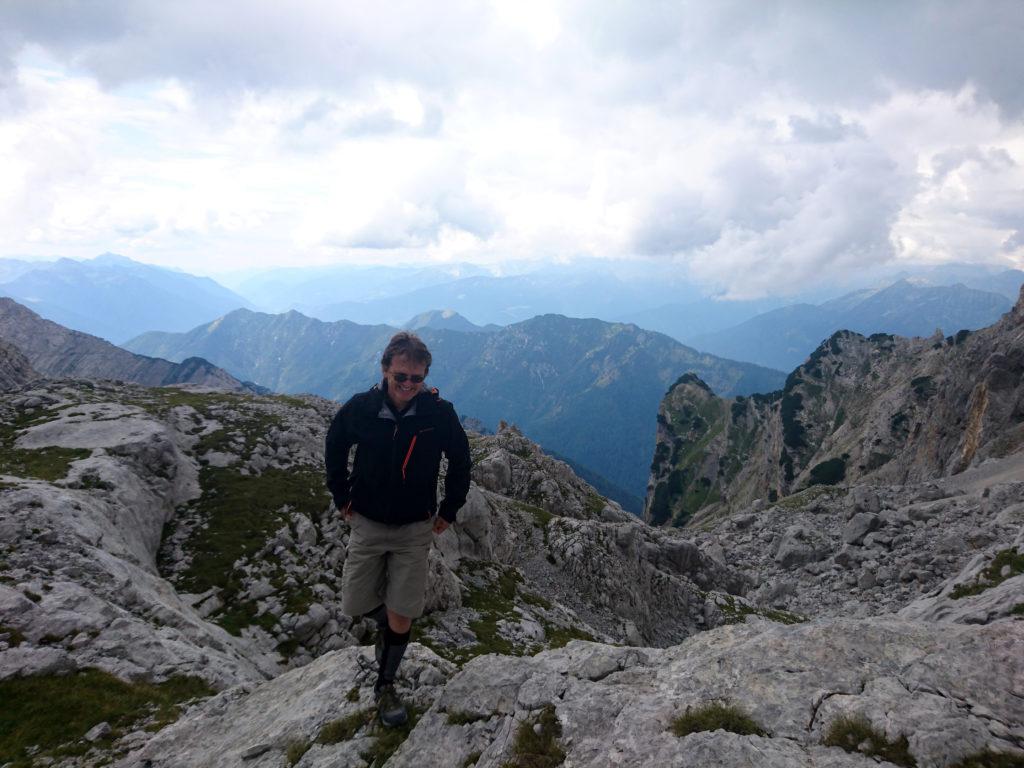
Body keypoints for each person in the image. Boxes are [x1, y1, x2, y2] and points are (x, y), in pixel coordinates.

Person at [324, 331, 471, 727]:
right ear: (386, 369)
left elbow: (461, 461)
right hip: (368, 521)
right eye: (400, 376)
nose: (407, 385)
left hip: (415, 527)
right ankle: (387, 632)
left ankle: (385, 685)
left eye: (416, 378)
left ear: (425, 377)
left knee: (403, 612)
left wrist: (449, 509)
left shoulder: (439, 415)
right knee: (354, 604)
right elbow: (335, 445)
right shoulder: (362, 409)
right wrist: (341, 496)